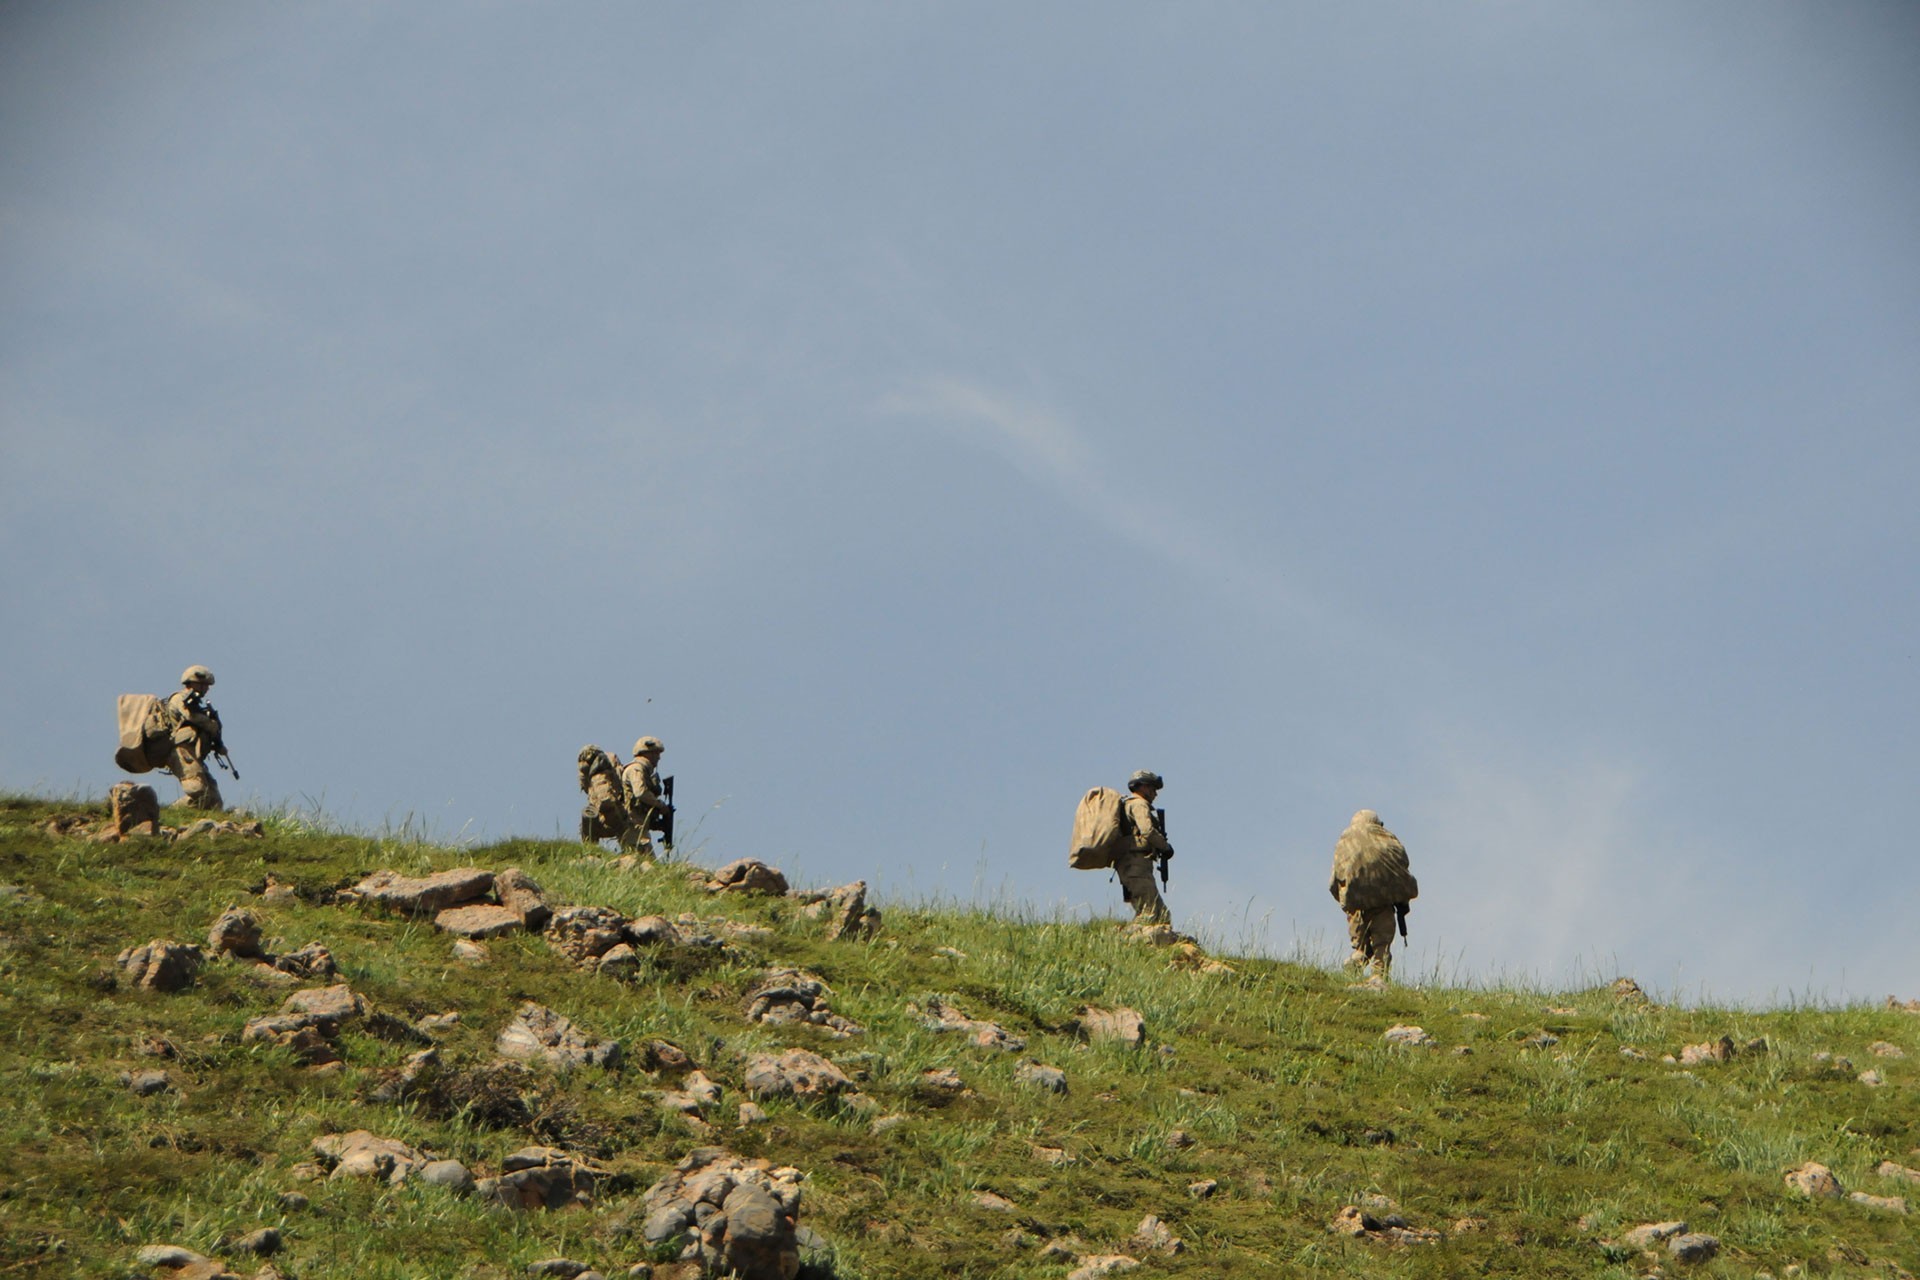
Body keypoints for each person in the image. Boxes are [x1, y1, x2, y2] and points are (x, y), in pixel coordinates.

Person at [1328, 809, 1418, 982]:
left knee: (1361, 947)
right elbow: (1401, 868)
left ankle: (1355, 964)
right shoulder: (1388, 840)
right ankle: (1378, 980)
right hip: (1383, 905)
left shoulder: (1345, 843)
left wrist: (1346, 902)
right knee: (1381, 947)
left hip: (1356, 908)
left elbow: (1335, 881)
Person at [162, 665, 226, 810]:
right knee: (198, 790)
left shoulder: (196, 704)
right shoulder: (179, 698)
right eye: (204, 685)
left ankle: (186, 816)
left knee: (214, 801)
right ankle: (167, 812)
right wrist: (211, 724)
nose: (207, 689)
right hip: (183, 751)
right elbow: (190, 716)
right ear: (192, 682)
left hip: (194, 754)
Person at [1114, 769, 1173, 927]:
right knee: (1150, 912)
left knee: (1162, 915)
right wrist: (1165, 846)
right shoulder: (1139, 805)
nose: (1155, 793)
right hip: (1135, 865)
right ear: (1143, 787)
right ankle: (1131, 942)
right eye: (1153, 788)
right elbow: (1147, 830)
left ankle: (1155, 947)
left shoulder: (1128, 805)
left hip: (1135, 865)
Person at [620, 735, 673, 858]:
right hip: (633, 823)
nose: (658, 757)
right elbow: (640, 792)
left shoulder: (643, 770)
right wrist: (660, 805)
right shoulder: (636, 769)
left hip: (639, 823)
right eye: (655, 753)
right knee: (646, 862)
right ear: (646, 753)